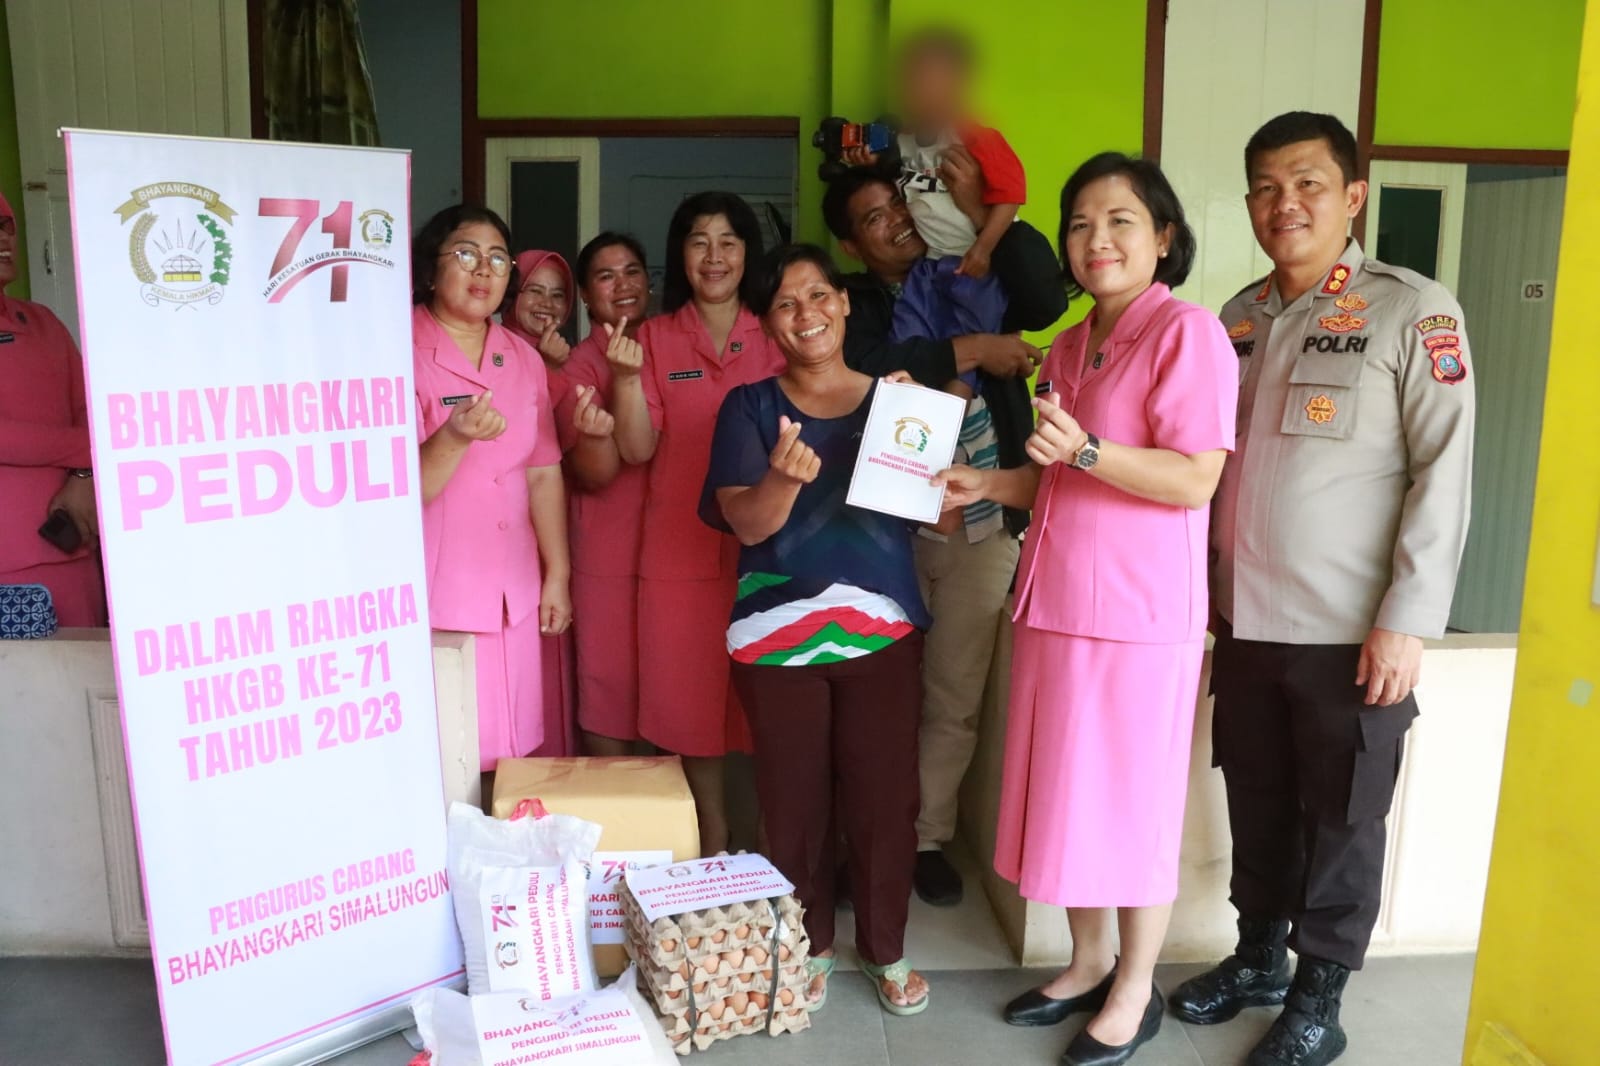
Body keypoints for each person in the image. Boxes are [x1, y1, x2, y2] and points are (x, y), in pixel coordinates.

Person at [1170, 112, 1475, 1066]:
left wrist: (1407, 620)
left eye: (1307, 183)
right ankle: (1259, 957)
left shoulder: (1412, 310)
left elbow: (1444, 472)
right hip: (1245, 622)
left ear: (1353, 197)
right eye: (1266, 187)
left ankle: (1319, 996)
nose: (1285, 204)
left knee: (1343, 816)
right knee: (1257, 800)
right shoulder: (1235, 320)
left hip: (1352, 630)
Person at [937, 153, 1236, 1066]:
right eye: (1080, 224)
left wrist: (1091, 450)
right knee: (1070, 794)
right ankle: (1089, 958)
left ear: (1165, 237)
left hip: (1139, 616)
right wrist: (986, 481)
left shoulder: (1187, 335)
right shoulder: (1068, 345)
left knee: (1133, 804)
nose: (1096, 239)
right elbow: (1056, 476)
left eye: (1120, 221)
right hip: (1058, 601)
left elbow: (1194, 477)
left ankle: (1136, 988)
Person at [822, 164, 1064, 905]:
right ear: (852, 245)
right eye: (874, 216)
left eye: (900, 202)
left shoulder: (974, 269)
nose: (897, 219)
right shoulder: (852, 301)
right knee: (868, 692)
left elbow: (1047, 296)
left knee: (953, 695)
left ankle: (923, 839)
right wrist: (976, 351)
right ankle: (862, 838)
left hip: (984, 524)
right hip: (880, 527)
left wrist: (984, 217)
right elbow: (860, 367)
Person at [703, 242, 930, 1019]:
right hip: (776, 637)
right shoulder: (749, 407)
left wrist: (917, 442)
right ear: (768, 324)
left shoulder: (896, 401)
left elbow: (928, 516)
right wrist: (781, 479)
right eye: (786, 304)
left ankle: (886, 947)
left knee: (885, 800)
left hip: (883, 630)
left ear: (844, 302)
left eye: (818, 295)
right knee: (793, 803)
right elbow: (745, 521)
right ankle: (810, 945)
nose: (806, 314)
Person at [610, 192, 785, 853]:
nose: (715, 257)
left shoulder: (777, 331)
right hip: (678, 551)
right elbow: (636, 449)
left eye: (729, 241)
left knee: (766, 695)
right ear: (679, 255)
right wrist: (625, 381)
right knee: (686, 699)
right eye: (699, 242)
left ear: (748, 254)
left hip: (767, 547)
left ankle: (766, 837)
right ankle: (711, 829)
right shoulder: (653, 339)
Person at [410, 205, 573, 780]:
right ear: (431, 269)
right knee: (444, 758)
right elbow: (396, 492)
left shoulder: (522, 358)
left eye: (498, 259)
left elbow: (543, 470)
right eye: (466, 254)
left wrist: (557, 573)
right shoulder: (397, 349)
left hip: (512, 590)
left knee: (510, 754)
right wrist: (453, 438)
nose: (484, 270)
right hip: (438, 595)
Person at [560, 232, 652, 757]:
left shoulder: (670, 346)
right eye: (606, 276)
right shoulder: (578, 368)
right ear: (585, 295)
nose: (623, 285)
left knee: (673, 688)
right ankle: (616, 805)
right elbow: (592, 476)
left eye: (632, 271)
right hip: (608, 552)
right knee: (608, 691)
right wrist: (599, 437)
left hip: (673, 547)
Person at [0, 191, 106, 628]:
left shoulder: (44, 321)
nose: (4, 238)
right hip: (9, 565)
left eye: (6, 225)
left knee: (91, 668)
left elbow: (91, 407)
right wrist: (89, 450)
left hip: (74, 543)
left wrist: (82, 476)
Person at [503, 248, 586, 757]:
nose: (546, 304)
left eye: (558, 295)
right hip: (508, 528)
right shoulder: (494, 353)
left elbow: (564, 450)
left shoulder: (568, 360)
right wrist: (549, 369)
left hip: (553, 522)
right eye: (535, 290)